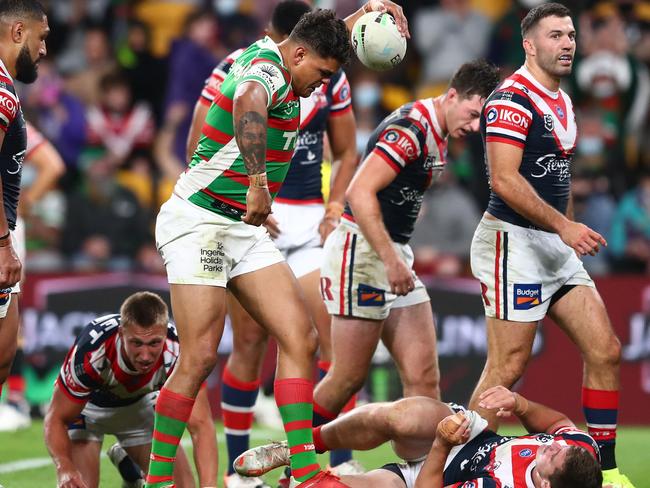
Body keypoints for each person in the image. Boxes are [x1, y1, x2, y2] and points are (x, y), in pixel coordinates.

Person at [151, 3, 409, 487]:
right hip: (199, 221)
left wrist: (367, 10)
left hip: (243, 229)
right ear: (298, 53)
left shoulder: (296, 58)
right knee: (201, 357)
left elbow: (322, 38)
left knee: (301, 338)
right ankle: (158, 481)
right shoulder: (264, 70)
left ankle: (309, 472)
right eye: (321, 73)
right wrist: (257, 182)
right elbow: (249, 98)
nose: (322, 84)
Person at [186, 1, 359, 485]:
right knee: (248, 342)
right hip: (251, 216)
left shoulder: (332, 77)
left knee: (326, 339)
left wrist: (332, 207)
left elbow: (346, 151)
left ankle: (337, 458)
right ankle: (242, 469)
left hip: (305, 222)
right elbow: (200, 142)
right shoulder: (239, 69)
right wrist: (246, 192)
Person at [467, 4, 632, 487]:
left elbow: (556, 179)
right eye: (556, 35)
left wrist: (568, 231)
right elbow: (503, 178)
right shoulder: (511, 99)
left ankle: (608, 471)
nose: (567, 44)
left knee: (606, 350)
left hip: (553, 244)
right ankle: (458, 462)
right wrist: (565, 226)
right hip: (511, 242)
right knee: (507, 367)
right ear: (529, 44)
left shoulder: (561, 98)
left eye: (571, 35)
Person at [312, 60, 500, 431]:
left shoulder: (438, 130)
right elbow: (359, 191)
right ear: (451, 96)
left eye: (483, 121)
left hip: (394, 252)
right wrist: (391, 260)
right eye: (473, 114)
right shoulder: (412, 128)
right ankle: (288, 456)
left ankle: (423, 475)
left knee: (424, 378)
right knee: (347, 378)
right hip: (364, 253)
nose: (476, 126)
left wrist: (397, 258)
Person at [235, 385, 602, 487]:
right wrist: (519, 403)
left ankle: (291, 481)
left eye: (552, 455)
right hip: (471, 436)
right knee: (402, 416)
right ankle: (301, 445)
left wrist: (442, 444)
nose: (554, 444)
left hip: (430, 479)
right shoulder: (580, 450)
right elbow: (559, 424)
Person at [43, 291, 218, 488]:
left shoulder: (178, 350)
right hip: (87, 411)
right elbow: (56, 418)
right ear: (121, 333)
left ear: (164, 333)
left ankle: (129, 468)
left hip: (138, 408)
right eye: (136, 343)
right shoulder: (92, 350)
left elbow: (201, 426)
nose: (145, 356)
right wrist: (64, 467)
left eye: (154, 343)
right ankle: (131, 469)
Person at [0, 120, 65, 431]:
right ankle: (14, 399)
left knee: (7, 311)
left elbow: (52, 165)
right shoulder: (14, 116)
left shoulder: (9, 113)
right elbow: (51, 165)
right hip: (8, 224)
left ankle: (14, 399)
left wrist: (20, 206)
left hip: (5, 228)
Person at [0, 0, 48, 400]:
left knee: (3, 353)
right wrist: (3, 245)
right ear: (18, 33)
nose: (44, 50)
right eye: (41, 38)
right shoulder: (1, 92)